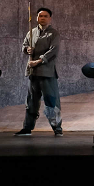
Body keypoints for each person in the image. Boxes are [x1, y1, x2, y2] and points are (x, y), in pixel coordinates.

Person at [15, 8, 63, 136]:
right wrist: (27, 49)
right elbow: (24, 46)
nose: (42, 18)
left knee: (51, 102)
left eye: (45, 16)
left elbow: (53, 51)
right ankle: (27, 128)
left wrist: (38, 61)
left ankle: (57, 128)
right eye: (40, 16)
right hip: (33, 73)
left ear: (50, 18)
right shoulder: (31, 32)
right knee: (31, 102)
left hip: (47, 73)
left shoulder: (54, 34)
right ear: (37, 18)